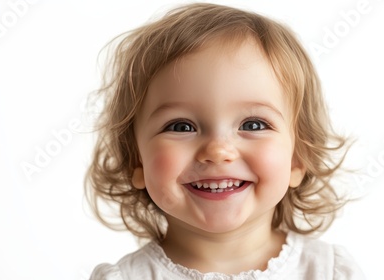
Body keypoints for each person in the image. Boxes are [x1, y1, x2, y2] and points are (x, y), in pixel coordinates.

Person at [85, 3, 365, 279]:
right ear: (136, 158)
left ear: (297, 157)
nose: (217, 151)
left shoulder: (330, 272)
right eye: (181, 126)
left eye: (253, 124)